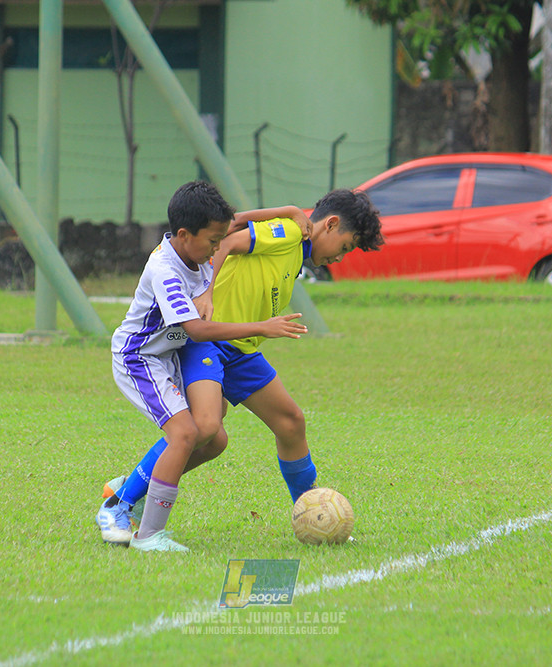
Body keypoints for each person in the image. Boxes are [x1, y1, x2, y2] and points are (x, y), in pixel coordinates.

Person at [101, 188, 383, 552]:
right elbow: (230, 239)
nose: (341, 258)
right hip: (208, 342)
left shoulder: (298, 247)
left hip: (241, 350)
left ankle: (313, 512)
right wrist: (208, 293)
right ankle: (123, 500)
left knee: (290, 422)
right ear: (330, 224)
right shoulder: (290, 234)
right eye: (345, 247)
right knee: (202, 429)